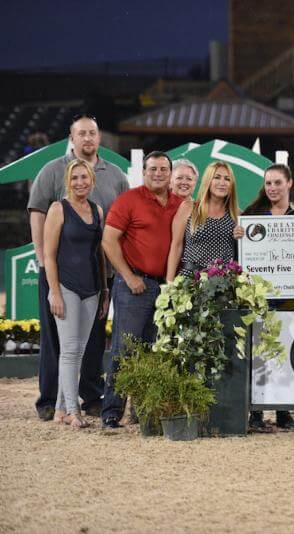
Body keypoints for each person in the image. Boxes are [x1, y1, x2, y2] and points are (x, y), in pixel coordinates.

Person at [27, 113, 129, 421]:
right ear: (72, 138)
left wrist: (109, 278)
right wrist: (45, 260)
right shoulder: (53, 171)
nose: (87, 138)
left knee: (91, 341)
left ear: (99, 137)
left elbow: (120, 222)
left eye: (92, 133)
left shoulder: (114, 175)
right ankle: (51, 401)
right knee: (55, 340)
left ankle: (89, 396)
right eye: (81, 133)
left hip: (97, 276)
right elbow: (37, 213)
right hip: (59, 273)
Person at [101, 151, 182, 428]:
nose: (158, 174)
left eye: (163, 169)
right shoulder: (129, 200)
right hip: (134, 285)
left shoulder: (180, 204)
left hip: (164, 287)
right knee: (125, 350)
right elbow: (108, 241)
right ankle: (112, 411)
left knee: (153, 350)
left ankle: (143, 411)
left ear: (170, 173)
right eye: (153, 169)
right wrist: (127, 276)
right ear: (144, 172)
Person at [43, 159, 107, 429]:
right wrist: (54, 292)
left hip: (92, 289)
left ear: (92, 179)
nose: (80, 182)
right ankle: (72, 412)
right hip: (66, 287)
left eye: (84, 177)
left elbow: (100, 253)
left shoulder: (97, 210)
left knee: (78, 352)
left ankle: (59, 410)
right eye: (75, 178)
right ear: (68, 182)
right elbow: (48, 255)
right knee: (69, 351)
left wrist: (104, 290)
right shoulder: (58, 209)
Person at [242, 163, 294, 431]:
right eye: (268, 183)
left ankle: (283, 411)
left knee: (285, 352)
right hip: (259, 295)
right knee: (259, 355)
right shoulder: (253, 214)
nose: (273, 188)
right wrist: (238, 235)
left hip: (289, 297)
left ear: (289, 183)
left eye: (278, 183)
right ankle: (256, 412)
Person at [166, 161, 241, 282]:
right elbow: (176, 246)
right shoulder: (189, 207)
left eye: (227, 179)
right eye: (217, 177)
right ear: (208, 181)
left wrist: (241, 237)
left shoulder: (236, 214)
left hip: (224, 284)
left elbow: (244, 251)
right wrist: (169, 284)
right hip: (190, 280)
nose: (222, 183)